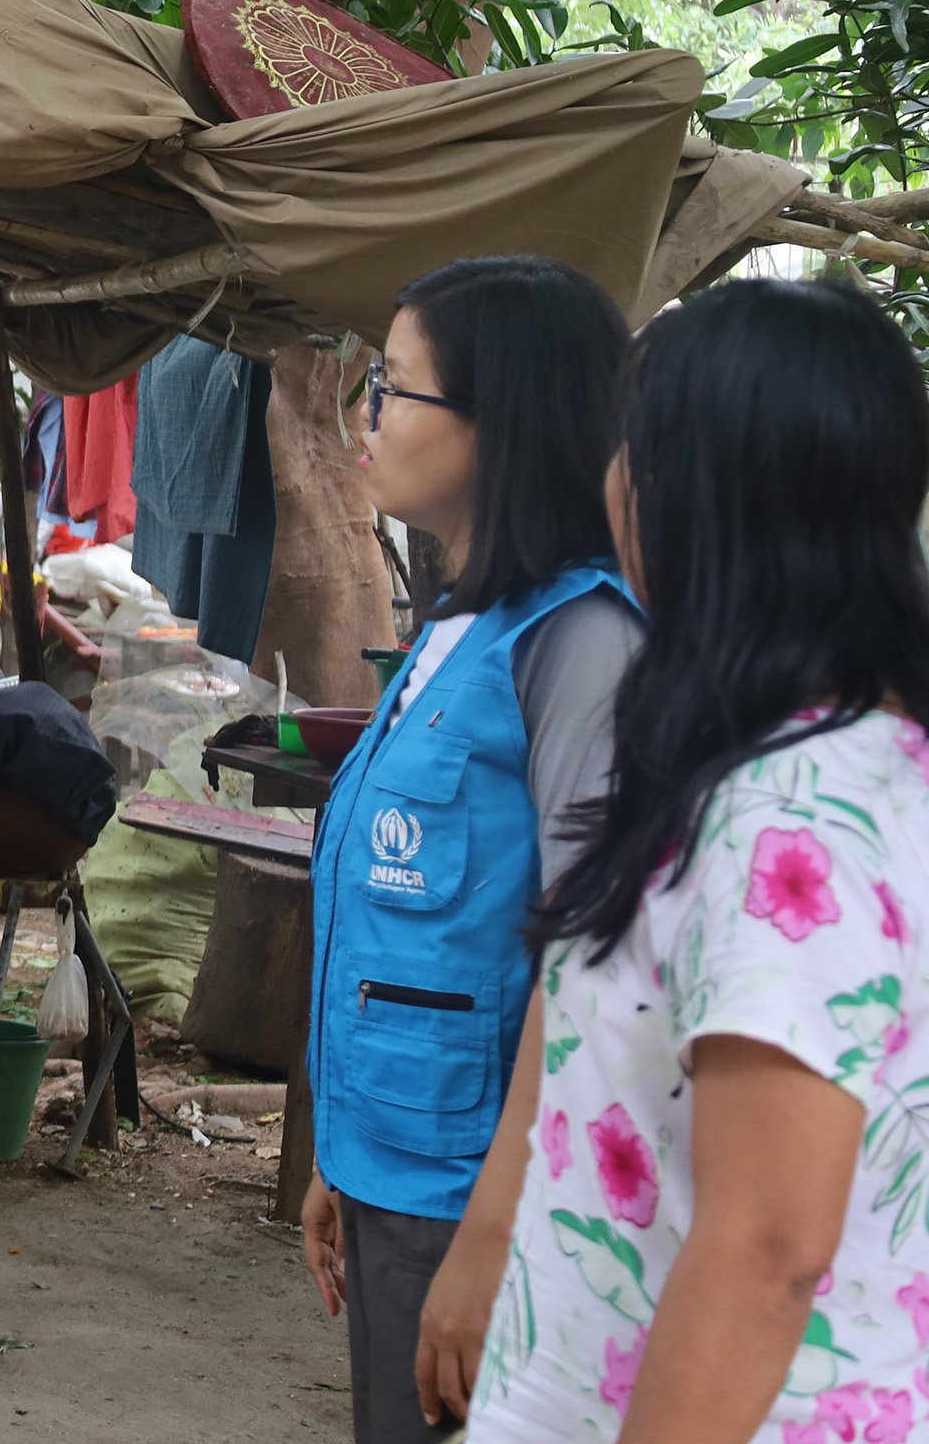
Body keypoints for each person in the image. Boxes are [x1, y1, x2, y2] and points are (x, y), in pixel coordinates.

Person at [453, 279, 929, 1442]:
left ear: (695, 492)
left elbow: (766, 1246)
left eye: (633, 446)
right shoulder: (786, 758)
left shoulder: (793, 818)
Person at [300, 255, 644, 1444]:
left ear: (506, 419)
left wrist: (497, 1226)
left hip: (484, 1187)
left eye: (393, 387)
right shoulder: (460, 621)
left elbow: (590, 953)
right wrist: (338, 1152)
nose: (368, 417)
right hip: (395, 1159)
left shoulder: (582, 640)